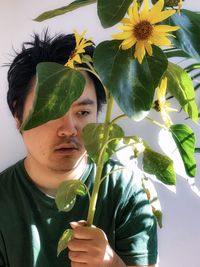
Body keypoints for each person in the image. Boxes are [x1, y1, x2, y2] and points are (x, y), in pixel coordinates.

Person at [0, 31, 158, 267]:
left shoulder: (126, 192)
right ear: (18, 116)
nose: (68, 130)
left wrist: (111, 263)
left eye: (82, 113)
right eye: (51, 111)